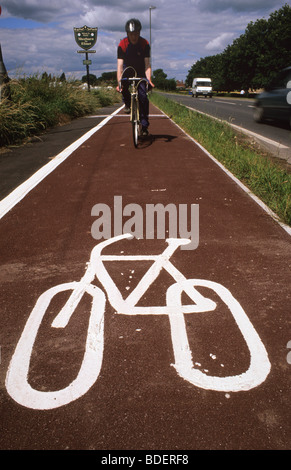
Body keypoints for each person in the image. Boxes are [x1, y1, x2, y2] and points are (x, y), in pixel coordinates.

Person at [117, 18, 155, 136]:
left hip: (140, 71)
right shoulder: (122, 44)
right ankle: (127, 103)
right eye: (131, 34)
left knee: (143, 96)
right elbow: (119, 66)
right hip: (128, 70)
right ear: (127, 33)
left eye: (136, 34)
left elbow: (147, 65)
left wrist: (149, 80)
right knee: (123, 87)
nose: (134, 36)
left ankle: (144, 126)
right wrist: (118, 83)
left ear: (139, 32)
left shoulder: (145, 44)